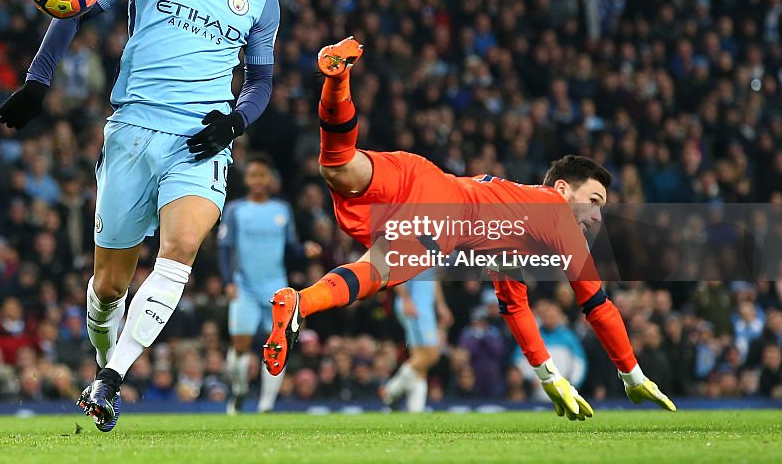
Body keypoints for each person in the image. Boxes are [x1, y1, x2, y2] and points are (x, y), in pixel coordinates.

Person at [0, 0, 279, 432]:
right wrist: (37, 82)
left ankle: (111, 379)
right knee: (107, 288)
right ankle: (106, 356)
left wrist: (236, 122)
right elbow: (77, 2)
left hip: (199, 140)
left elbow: (262, 79)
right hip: (131, 131)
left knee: (180, 251)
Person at [263, 37, 676, 420]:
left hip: (420, 173)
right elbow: (596, 304)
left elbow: (514, 305)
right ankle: (305, 303)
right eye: (594, 202)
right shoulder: (556, 215)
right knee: (379, 270)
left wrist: (550, 377)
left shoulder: (519, 217)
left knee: (338, 166)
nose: (597, 216)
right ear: (563, 189)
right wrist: (632, 376)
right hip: (445, 212)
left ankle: (338, 81)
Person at [217, 153, 319, 414]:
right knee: (240, 345)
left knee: (278, 343)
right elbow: (225, 249)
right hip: (245, 287)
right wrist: (228, 281)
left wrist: (304, 249)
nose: (258, 180)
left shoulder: (282, 210)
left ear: (270, 179)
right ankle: (239, 391)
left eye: (262, 175)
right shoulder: (235, 210)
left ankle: (266, 404)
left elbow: (289, 247)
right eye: (253, 175)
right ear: (247, 179)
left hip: (277, 289)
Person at [380, 268, 450, 412]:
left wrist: (441, 305)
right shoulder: (410, 246)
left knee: (419, 358)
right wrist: (406, 300)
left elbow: (433, 278)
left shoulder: (432, 249)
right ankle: (390, 389)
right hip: (415, 306)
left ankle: (416, 409)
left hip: (425, 307)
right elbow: (396, 273)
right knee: (432, 355)